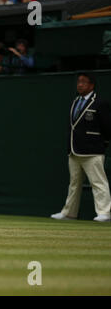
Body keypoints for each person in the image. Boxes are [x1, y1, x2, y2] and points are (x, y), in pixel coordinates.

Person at [51, 73, 111, 222]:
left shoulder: (100, 103)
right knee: (74, 184)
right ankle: (69, 213)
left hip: (93, 151)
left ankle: (105, 213)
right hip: (74, 150)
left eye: (84, 82)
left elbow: (108, 128)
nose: (80, 84)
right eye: (79, 81)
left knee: (98, 183)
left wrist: (102, 145)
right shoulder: (75, 101)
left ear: (91, 85)